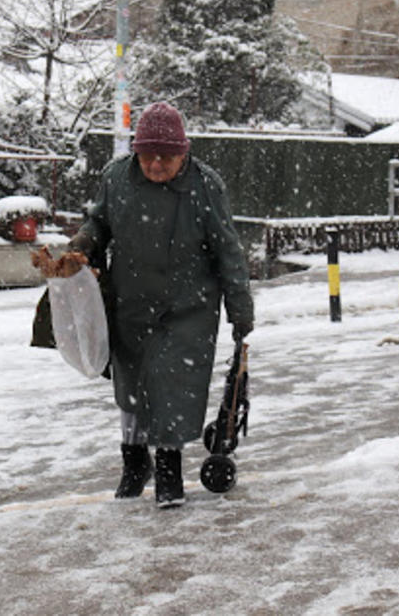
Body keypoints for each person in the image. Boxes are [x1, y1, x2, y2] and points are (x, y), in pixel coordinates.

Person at [67, 102, 254, 508]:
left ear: (183, 153)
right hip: (131, 301)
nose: (155, 165)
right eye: (147, 155)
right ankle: (135, 462)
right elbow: (99, 222)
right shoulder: (117, 177)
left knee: (171, 384)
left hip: (188, 308)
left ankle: (169, 468)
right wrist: (83, 243)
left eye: (165, 157)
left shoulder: (205, 186)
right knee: (131, 386)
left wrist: (240, 308)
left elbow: (228, 250)